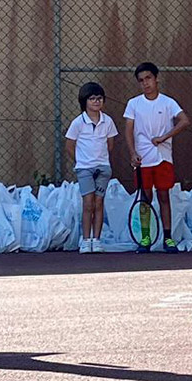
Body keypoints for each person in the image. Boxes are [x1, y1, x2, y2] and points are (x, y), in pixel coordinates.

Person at [124, 61, 190, 252]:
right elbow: (128, 130)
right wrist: (133, 153)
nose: (145, 83)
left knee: (163, 196)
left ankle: (168, 239)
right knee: (145, 199)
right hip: (142, 160)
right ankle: (145, 239)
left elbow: (185, 121)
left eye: (148, 78)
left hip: (163, 158)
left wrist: (164, 137)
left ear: (156, 79)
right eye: (141, 80)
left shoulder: (168, 102)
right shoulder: (133, 104)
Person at [64, 82, 118, 253]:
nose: (96, 102)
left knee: (99, 203)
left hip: (103, 168)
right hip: (85, 169)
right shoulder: (78, 122)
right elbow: (69, 145)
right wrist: (81, 163)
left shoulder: (108, 121)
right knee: (88, 203)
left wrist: (101, 160)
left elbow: (110, 144)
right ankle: (86, 239)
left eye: (99, 98)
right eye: (92, 99)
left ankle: (97, 239)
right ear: (84, 101)